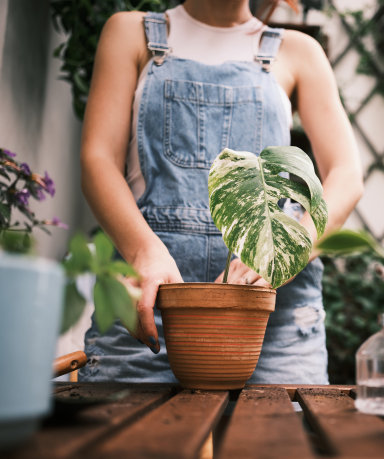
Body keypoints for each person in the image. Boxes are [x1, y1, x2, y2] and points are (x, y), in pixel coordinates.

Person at [78, 0, 363, 383]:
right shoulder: (131, 34)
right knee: (131, 440)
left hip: (270, 322)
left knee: (277, 442)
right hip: (148, 310)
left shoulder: (299, 52)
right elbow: (98, 161)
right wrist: (144, 251)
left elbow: (346, 174)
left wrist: (288, 247)